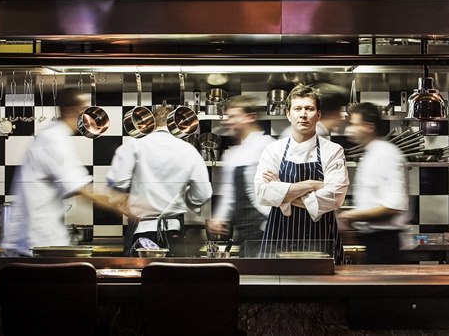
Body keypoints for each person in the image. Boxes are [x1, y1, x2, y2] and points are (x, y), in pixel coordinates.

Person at [1, 88, 126, 257]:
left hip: (38, 244)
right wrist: (127, 205)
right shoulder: (54, 139)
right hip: (36, 246)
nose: (86, 116)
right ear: (70, 110)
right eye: (84, 110)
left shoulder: (54, 136)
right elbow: (82, 189)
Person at [254, 83, 349, 264]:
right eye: (297, 108)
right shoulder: (273, 150)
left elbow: (335, 197)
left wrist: (282, 196)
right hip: (278, 237)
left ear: (318, 115)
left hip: (320, 239)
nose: (303, 114)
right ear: (288, 114)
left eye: (309, 109)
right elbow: (262, 193)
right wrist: (313, 186)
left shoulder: (333, 151)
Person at [107, 105, 213, 257]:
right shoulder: (188, 150)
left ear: (152, 123)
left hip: (141, 232)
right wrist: (185, 198)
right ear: (174, 124)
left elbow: (115, 188)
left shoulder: (134, 145)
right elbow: (203, 193)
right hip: (173, 233)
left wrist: (126, 203)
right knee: (171, 279)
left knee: (141, 278)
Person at [337, 102, 410, 264]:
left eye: (354, 124)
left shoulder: (386, 154)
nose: (350, 129)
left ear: (369, 127)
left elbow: (394, 205)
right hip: (372, 240)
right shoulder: (370, 154)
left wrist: (350, 215)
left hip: (385, 243)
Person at [206, 95, 276, 256]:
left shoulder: (269, 146)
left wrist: (271, 221)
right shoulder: (232, 153)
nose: (226, 122)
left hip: (265, 230)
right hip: (245, 232)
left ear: (250, 117)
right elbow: (229, 195)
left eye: (232, 116)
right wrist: (219, 218)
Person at [278, 82, 346, 140]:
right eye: (297, 109)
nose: (340, 118)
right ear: (334, 114)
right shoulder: (316, 134)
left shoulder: (319, 132)